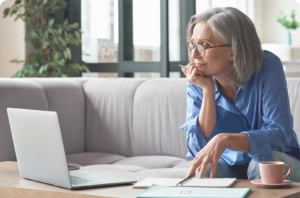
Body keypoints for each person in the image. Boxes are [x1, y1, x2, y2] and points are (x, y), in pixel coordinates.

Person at [178, 7, 300, 181]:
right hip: (230, 165)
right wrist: (207, 91)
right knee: (204, 170)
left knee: (260, 164)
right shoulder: (198, 79)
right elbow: (198, 149)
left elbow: (279, 135)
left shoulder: (268, 66)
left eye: (204, 45)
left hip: (279, 161)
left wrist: (226, 140)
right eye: (192, 45)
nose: (194, 54)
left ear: (233, 51)